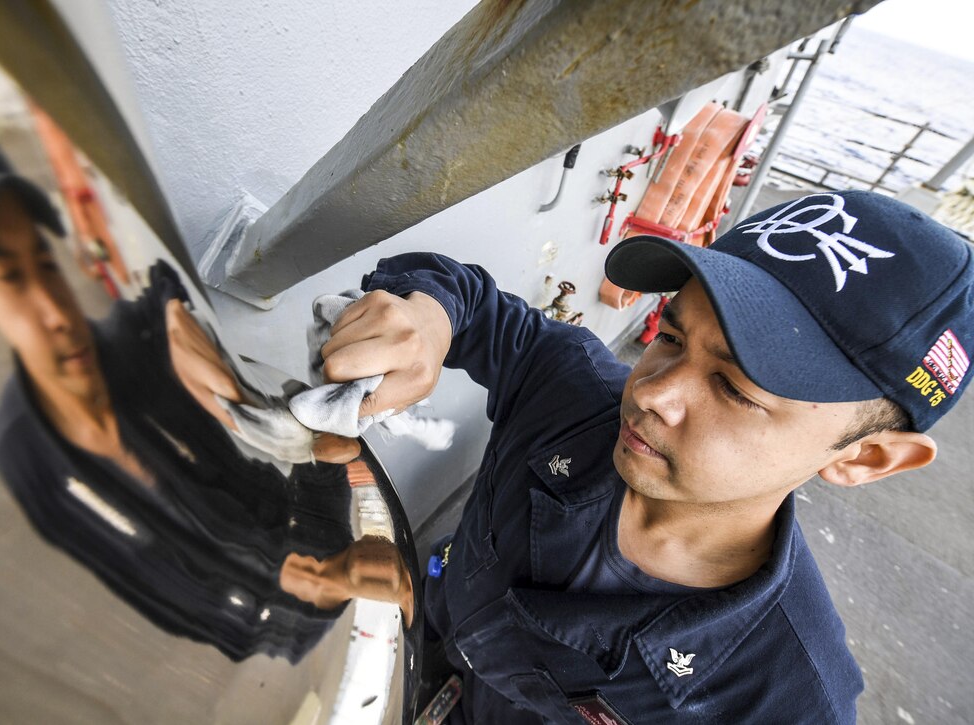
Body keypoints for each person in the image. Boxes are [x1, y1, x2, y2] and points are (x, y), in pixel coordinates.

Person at [320, 191, 973, 722]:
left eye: (734, 389)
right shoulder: (575, 395)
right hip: (409, 636)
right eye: (669, 335)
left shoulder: (785, 700)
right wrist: (428, 319)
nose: (652, 391)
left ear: (868, 457)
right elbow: (467, 298)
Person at [0, 95, 368, 662]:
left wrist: (179, 322)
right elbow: (152, 591)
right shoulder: (25, 456)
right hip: (257, 654)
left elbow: (161, 296)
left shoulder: (132, 346)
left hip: (323, 588)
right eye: (9, 277)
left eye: (44, 264)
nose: (53, 309)